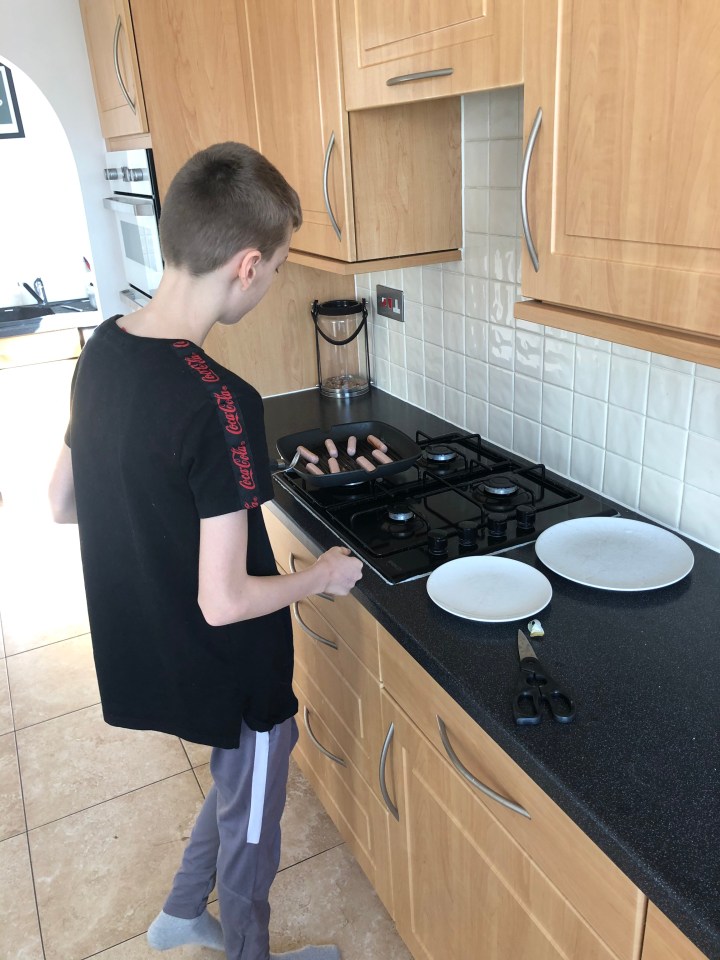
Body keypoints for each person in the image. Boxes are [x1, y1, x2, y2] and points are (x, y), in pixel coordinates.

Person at [48, 142, 363, 960]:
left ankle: (181, 914)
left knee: (237, 788)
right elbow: (225, 600)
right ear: (248, 265)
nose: (276, 281)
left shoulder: (103, 348)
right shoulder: (221, 400)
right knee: (254, 834)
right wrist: (321, 576)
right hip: (236, 673)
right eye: (283, 267)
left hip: (158, 651)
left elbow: (63, 500)